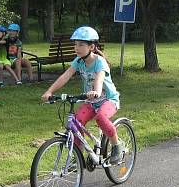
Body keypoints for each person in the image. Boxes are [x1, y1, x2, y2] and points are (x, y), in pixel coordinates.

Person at [40, 26, 123, 163]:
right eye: (75, 44)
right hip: (90, 101)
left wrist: (96, 91)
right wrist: (50, 91)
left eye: (81, 45)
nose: (77, 48)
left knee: (101, 117)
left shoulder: (99, 62)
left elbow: (99, 78)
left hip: (108, 99)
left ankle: (116, 146)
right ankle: (78, 158)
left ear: (91, 47)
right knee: (76, 123)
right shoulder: (78, 61)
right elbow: (65, 76)